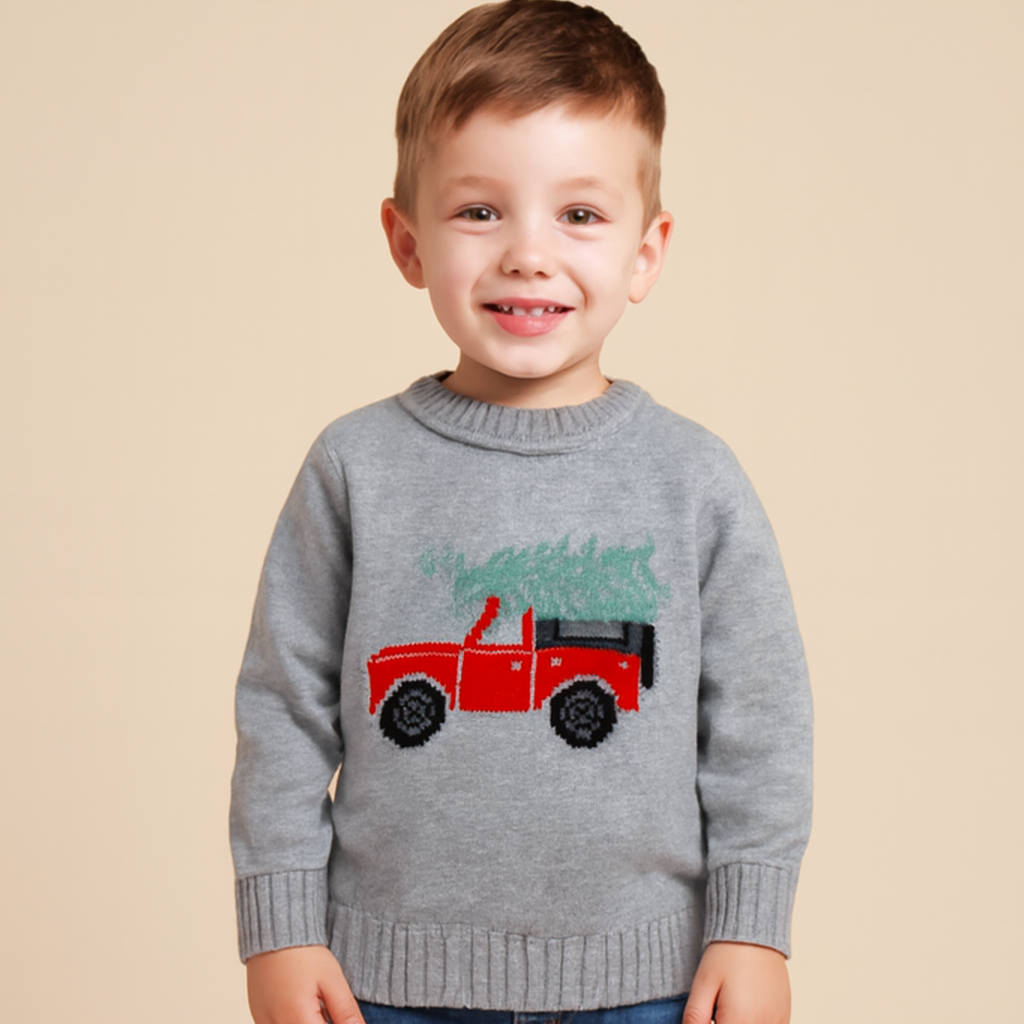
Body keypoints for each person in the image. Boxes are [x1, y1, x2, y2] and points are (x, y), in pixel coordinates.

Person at [230, 3, 812, 1024]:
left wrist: (751, 929)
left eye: (579, 215)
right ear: (406, 241)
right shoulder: (356, 465)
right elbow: (283, 709)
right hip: (385, 982)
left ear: (646, 252)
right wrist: (280, 927)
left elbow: (760, 722)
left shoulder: (692, 477)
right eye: (479, 212)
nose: (528, 255)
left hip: (648, 983)